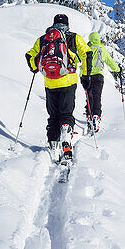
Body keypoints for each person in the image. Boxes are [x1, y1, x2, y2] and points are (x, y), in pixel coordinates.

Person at [25, 13, 92, 158]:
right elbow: (87, 53)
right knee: (66, 113)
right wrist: (86, 76)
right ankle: (66, 136)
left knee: (53, 115)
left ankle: (53, 144)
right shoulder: (73, 37)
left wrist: (34, 68)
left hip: (50, 82)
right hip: (68, 80)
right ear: (67, 24)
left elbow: (30, 55)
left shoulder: (44, 39)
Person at [80, 31, 123, 134]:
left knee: (89, 96)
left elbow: (78, 57)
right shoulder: (102, 49)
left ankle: (89, 115)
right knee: (97, 96)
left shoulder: (86, 48)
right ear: (98, 39)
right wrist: (117, 69)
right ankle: (96, 116)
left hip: (86, 75)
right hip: (98, 76)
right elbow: (110, 61)